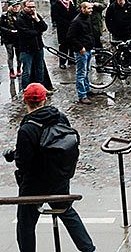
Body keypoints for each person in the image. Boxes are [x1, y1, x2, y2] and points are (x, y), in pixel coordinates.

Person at [8, 83, 95, 252]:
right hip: (59, 177)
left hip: (34, 184)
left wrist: (15, 155)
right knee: (67, 212)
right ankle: (88, 249)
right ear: (44, 100)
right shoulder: (60, 117)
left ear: (25, 102)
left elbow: (23, 163)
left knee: (25, 223)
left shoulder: (27, 129)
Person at [65, 2, 96, 105]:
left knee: (86, 71)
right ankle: (82, 95)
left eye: (91, 8)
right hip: (81, 51)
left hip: (88, 48)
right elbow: (70, 36)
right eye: (89, 8)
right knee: (81, 73)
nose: (91, 10)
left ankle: (87, 90)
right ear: (82, 9)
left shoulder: (87, 18)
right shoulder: (76, 21)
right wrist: (80, 47)